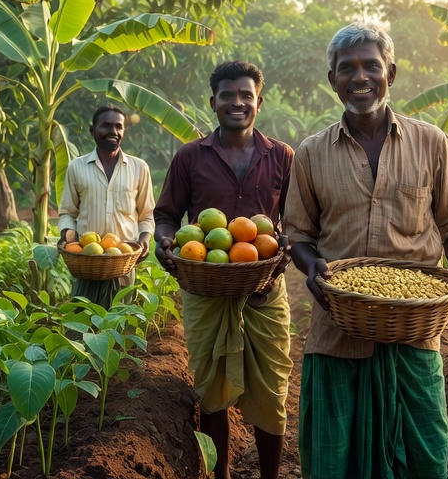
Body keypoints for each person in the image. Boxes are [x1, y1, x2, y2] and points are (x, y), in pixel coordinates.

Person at [284, 22, 448, 479]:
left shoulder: (431, 142)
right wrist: (312, 268)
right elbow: (297, 234)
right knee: (332, 460)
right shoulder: (311, 153)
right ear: (332, 80)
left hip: (414, 332)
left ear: (390, 73)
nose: (360, 77)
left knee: (427, 455)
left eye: (371, 65)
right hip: (337, 331)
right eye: (346, 68)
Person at [154, 60, 294, 479]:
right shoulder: (189, 156)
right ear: (213, 102)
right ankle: (220, 475)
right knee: (211, 391)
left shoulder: (282, 156)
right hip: (207, 289)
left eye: (246, 96)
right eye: (228, 96)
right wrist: (165, 242)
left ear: (259, 103)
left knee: (272, 391)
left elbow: (299, 220)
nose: (238, 102)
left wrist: (289, 244)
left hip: (264, 290)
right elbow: (166, 215)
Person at [57, 104, 155, 309]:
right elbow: (67, 213)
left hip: (123, 264)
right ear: (92, 130)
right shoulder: (77, 167)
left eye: (119, 127)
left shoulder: (139, 168)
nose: (113, 131)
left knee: (119, 321)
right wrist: (68, 232)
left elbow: (147, 215)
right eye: (106, 126)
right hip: (87, 263)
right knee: (82, 319)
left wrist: (145, 238)